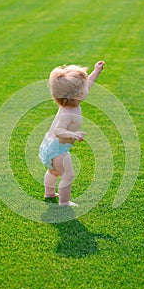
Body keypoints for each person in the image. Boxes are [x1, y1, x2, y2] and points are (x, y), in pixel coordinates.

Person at [39, 61, 105, 206]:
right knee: (68, 175)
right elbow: (58, 130)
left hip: (49, 146)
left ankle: (49, 193)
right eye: (83, 88)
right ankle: (64, 202)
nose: (86, 88)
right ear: (77, 95)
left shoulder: (69, 103)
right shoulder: (67, 113)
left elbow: (87, 84)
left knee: (53, 171)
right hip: (58, 149)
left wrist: (96, 72)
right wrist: (72, 134)